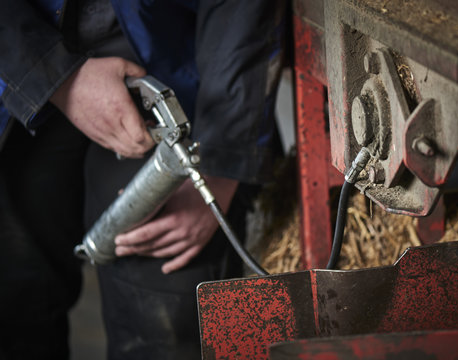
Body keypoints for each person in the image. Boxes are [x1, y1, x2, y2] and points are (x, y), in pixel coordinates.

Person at [0, 1, 286, 359]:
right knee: (15, 302)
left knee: (166, 307)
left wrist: (221, 162)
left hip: (169, 52)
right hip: (15, 63)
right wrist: (58, 77)